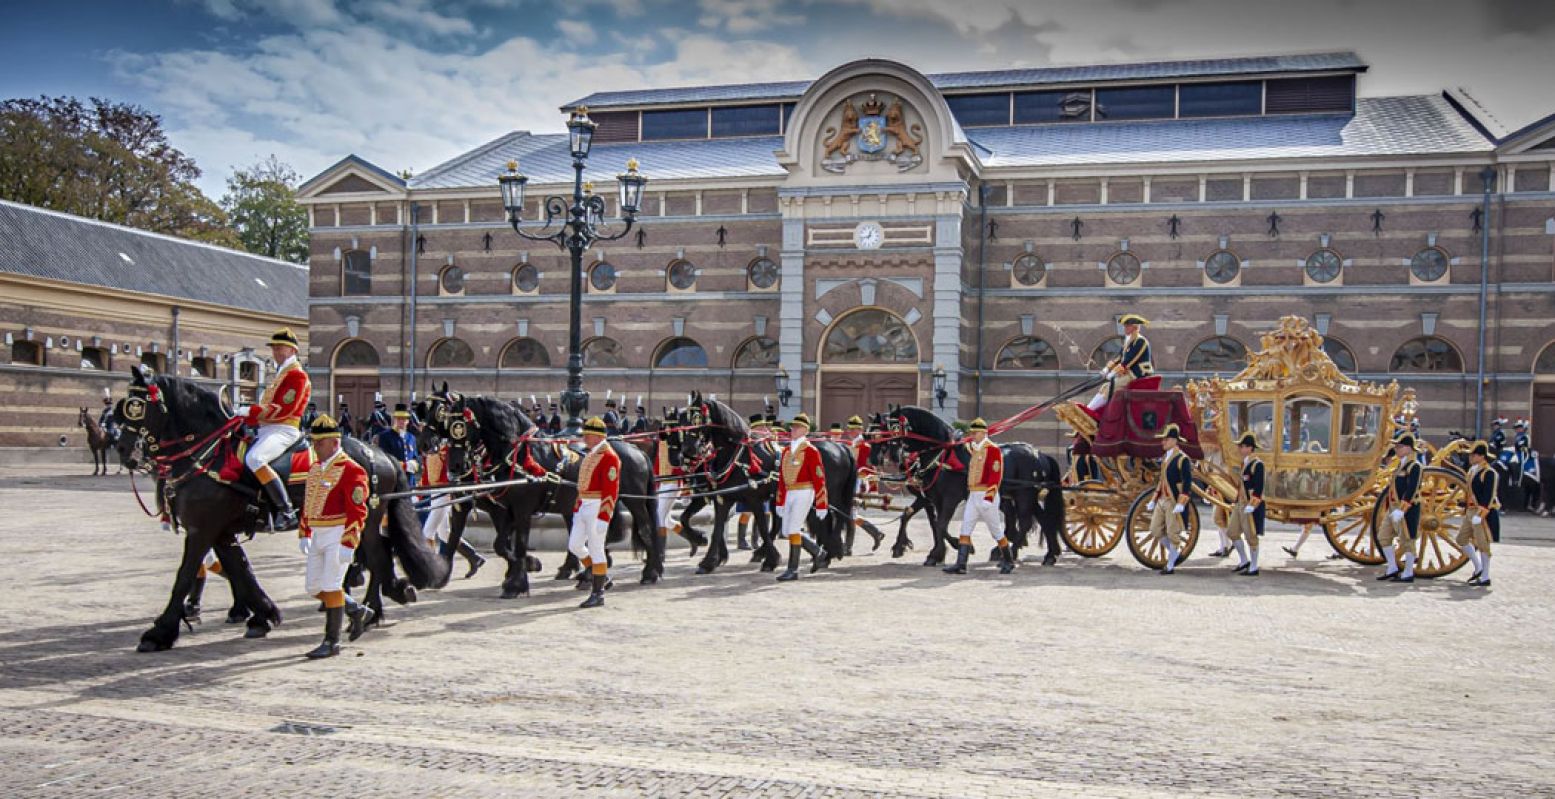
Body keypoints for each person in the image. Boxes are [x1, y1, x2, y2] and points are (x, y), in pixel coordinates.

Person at [297, 414, 372, 659]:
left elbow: (358, 509)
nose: (315, 447)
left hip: (338, 533)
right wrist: (304, 531)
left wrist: (349, 541)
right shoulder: (316, 468)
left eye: (319, 443)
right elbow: (308, 503)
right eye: (313, 442)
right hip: (318, 533)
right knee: (313, 587)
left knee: (331, 586)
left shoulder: (351, 469)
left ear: (333, 442)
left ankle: (332, 641)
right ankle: (356, 609)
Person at [243, 328, 310, 529]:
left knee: (255, 459)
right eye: (274, 348)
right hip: (267, 429)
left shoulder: (297, 375)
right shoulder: (282, 374)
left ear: (292, 350)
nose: (276, 352)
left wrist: (249, 411)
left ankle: (286, 510)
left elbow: (282, 410)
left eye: (279, 348)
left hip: (284, 429)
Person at [945, 419, 1016, 575]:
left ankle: (1009, 561)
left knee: (996, 530)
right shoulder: (975, 448)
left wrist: (989, 498)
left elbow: (995, 476)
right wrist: (956, 440)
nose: (973, 435)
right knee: (965, 528)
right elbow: (964, 447)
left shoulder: (993, 449)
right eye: (972, 433)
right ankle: (961, 564)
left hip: (986, 495)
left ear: (984, 433)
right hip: (973, 495)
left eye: (975, 433)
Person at [571, 417, 620, 608]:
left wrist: (604, 516)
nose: (584, 439)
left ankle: (598, 593)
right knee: (575, 545)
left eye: (587, 435)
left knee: (597, 550)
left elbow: (611, 490)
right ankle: (601, 574)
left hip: (597, 506)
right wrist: (577, 506)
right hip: (584, 504)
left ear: (596, 436)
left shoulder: (609, 457)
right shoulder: (591, 454)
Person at [420, 436, 485, 579]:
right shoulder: (430, 448)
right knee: (444, 533)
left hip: (444, 492)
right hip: (434, 491)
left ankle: (428, 570)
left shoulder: (448, 450)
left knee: (427, 532)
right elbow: (427, 472)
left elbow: (453, 472)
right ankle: (474, 557)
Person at [776, 413, 828, 582]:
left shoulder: (810, 450)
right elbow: (782, 479)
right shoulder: (786, 450)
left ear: (805, 430)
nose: (793, 429)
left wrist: (821, 504)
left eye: (797, 427)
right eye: (792, 427)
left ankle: (793, 569)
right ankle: (818, 553)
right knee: (787, 531)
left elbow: (819, 477)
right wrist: (780, 501)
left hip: (805, 491)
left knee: (793, 529)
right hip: (790, 492)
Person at [1375, 432, 1422, 582]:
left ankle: (1408, 572)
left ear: (1409, 448)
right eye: (1396, 446)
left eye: (1400, 447)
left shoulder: (1415, 466)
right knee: (1383, 536)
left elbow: (1412, 489)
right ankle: (1392, 567)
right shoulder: (1400, 465)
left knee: (1408, 540)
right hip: (1393, 508)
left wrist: (1402, 510)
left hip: (1407, 508)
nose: (1396, 449)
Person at [1147, 423, 1193, 575]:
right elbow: (1162, 480)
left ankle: (1170, 565)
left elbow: (1187, 483)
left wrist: (1181, 503)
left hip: (1174, 500)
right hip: (1162, 499)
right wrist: (1154, 499)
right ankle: (1175, 555)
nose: (1163, 442)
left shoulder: (1182, 459)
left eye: (1165, 440)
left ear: (1174, 441)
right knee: (1155, 530)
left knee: (1173, 533)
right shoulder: (1166, 458)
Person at [1087, 313, 1153, 411]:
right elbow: (1119, 357)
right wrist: (1107, 369)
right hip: (1129, 373)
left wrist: (1113, 373)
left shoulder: (1140, 341)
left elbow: (1129, 361)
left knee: (1111, 387)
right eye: (1125, 326)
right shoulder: (1129, 341)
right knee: (1105, 387)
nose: (1125, 328)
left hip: (1138, 374)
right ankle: (1090, 409)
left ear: (1134, 327)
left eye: (1127, 326)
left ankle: (1090, 410)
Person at [1225, 432, 1265, 576]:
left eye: (1242, 446)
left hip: (1250, 504)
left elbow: (1259, 487)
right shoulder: (1245, 463)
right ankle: (1244, 560)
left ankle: (1254, 566)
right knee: (1232, 532)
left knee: (1251, 536)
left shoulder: (1257, 464)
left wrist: (1252, 504)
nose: (1240, 449)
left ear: (1250, 448)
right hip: (1240, 503)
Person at [1461, 441, 1499, 587]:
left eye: (1474, 454)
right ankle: (1478, 567)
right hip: (1471, 510)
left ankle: (1485, 576)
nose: (1471, 457)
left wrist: (1481, 513)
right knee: (1461, 539)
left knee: (1483, 545)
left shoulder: (1489, 473)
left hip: (1482, 512)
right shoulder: (1472, 471)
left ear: (1482, 456)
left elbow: (1489, 495)